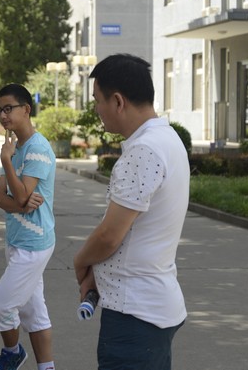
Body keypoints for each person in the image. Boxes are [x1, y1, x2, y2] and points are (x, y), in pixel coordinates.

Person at [73, 54, 189, 370]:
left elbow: (110, 236)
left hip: (135, 315)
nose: (96, 110)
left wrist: (81, 261)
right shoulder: (168, 139)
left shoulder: (143, 151)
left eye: (97, 101)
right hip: (152, 308)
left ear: (118, 101)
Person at [0, 83, 56, 370]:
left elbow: (17, 195)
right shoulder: (15, 147)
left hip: (34, 243)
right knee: (33, 313)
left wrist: (7, 161)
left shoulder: (36, 148)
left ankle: (13, 352)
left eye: (8, 108)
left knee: (1, 305)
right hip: (17, 239)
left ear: (26, 109)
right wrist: (21, 204)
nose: (3, 115)